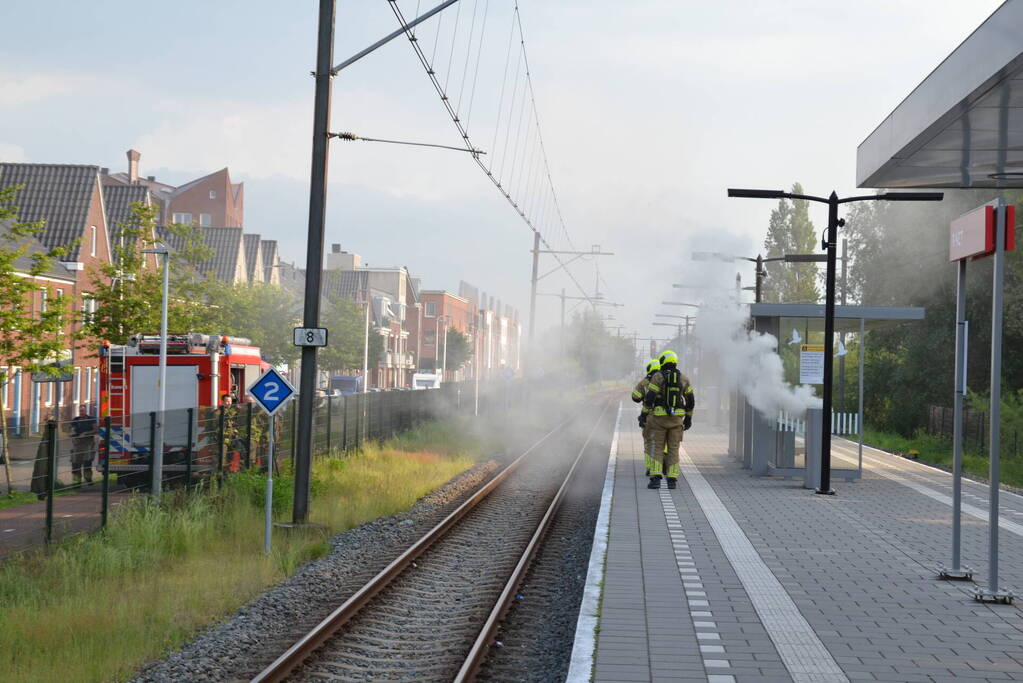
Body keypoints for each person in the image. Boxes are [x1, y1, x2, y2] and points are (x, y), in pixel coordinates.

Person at [643, 349, 695, 490]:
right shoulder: (683, 378)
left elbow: (650, 398)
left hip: (659, 420)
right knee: (673, 448)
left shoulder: (658, 377)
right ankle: (672, 479)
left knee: (657, 448)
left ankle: (655, 479)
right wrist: (688, 418)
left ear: (663, 361)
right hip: (677, 420)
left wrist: (644, 414)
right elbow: (690, 400)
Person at [631, 358, 660, 476]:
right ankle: (664, 465)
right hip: (665, 416)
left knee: (649, 441)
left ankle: (649, 467)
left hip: (649, 416)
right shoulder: (664, 380)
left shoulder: (644, 382)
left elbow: (635, 397)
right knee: (663, 441)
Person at [69, 405, 97, 485]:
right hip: (77, 444)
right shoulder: (75, 420)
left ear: (86, 411)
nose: (81, 413)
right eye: (80, 411)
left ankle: (88, 479)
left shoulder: (91, 419)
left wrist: (86, 433)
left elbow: (95, 430)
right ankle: (76, 482)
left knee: (87, 462)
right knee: (75, 463)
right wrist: (73, 436)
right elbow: (72, 430)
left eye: (83, 411)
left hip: (88, 443)